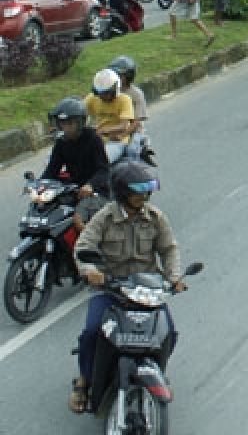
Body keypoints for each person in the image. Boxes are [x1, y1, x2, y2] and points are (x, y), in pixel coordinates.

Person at [70, 161, 183, 415]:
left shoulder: (155, 217)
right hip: (111, 289)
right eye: (137, 192)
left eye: (145, 192)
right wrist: (91, 272)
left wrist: (174, 277)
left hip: (147, 290)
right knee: (91, 333)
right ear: (122, 192)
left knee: (168, 333)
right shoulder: (105, 217)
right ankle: (84, 381)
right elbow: (83, 248)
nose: (142, 197)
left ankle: (158, 373)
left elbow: (169, 249)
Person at [43, 97, 111, 230]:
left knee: (78, 220)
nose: (66, 128)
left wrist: (91, 185)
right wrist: (39, 186)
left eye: (70, 123)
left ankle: (89, 248)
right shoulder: (61, 143)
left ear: (80, 123)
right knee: (49, 212)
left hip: (97, 192)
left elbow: (104, 170)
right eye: (62, 124)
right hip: (74, 189)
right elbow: (52, 170)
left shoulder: (93, 139)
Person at [108, 55, 154, 166]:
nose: (116, 77)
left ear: (128, 76)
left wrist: (123, 135)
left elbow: (137, 121)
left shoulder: (136, 94)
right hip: (113, 128)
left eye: (119, 75)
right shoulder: (109, 92)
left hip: (133, 131)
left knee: (131, 150)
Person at [85, 69, 137, 164]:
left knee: (102, 160)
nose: (102, 96)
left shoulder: (124, 100)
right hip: (97, 138)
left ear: (115, 89)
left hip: (116, 140)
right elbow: (80, 112)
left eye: (106, 93)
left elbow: (124, 125)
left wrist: (103, 130)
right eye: (100, 93)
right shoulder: (92, 98)